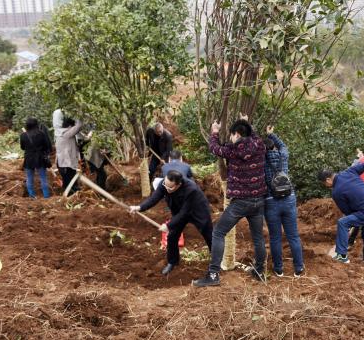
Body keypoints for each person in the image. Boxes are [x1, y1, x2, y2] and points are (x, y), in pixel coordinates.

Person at [193, 116, 267, 287]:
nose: (231, 138)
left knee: (218, 232)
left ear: (237, 134)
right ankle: (259, 271)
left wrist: (215, 132)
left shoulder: (233, 150)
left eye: (232, 134)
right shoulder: (260, 145)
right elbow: (253, 135)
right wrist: (246, 122)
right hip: (258, 201)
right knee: (258, 238)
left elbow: (214, 148)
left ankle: (213, 275)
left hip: (241, 202)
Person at [129, 170, 213, 275]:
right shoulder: (164, 184)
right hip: (178, 210)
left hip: (197, 210)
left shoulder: (191, 190)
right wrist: (139, 207)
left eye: (170, 187)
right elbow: (154, 199)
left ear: (179, 184)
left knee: (208, 235)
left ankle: (216, 262)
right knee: (172, 236)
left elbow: (185, 213)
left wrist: (168, 225)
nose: (167, 189)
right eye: (166, 185)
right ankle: (172, 262)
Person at [318, 160, 364, 264]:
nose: (326, 186)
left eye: (324, 183)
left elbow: (348, 212)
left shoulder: (336, 192)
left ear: (328, 180)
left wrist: (355, 218)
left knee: (343, 222)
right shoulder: (349, 172)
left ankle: (342, 255)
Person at [263, 125, 304, 278]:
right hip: (288, 198)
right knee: (293, 236)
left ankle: (279, 269)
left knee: (275, 238)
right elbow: (283, 145)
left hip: (270, 200)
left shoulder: (261, 161)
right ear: (273, 146)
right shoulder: (283, 155)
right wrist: (271, 134)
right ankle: (298, 268)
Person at [20, 118, 52, 199]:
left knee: (29, 178)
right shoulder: (41, 133)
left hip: (29, 158)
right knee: (43, 177)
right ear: (36, 124)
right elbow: (46, 146)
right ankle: (46, 196)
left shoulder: (23, 135)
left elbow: (22, 147)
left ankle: (32, 196)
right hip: (40, 158)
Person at [56, 118, 83, 194]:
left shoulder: (60, 133)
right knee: (70, 184)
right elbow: (79, 126)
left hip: (64, 163)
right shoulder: (66, 134)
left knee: (69, 182)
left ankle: (69, 196)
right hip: (66, 165)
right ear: (70, 126)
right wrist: (79, 114)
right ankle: (70, 197)